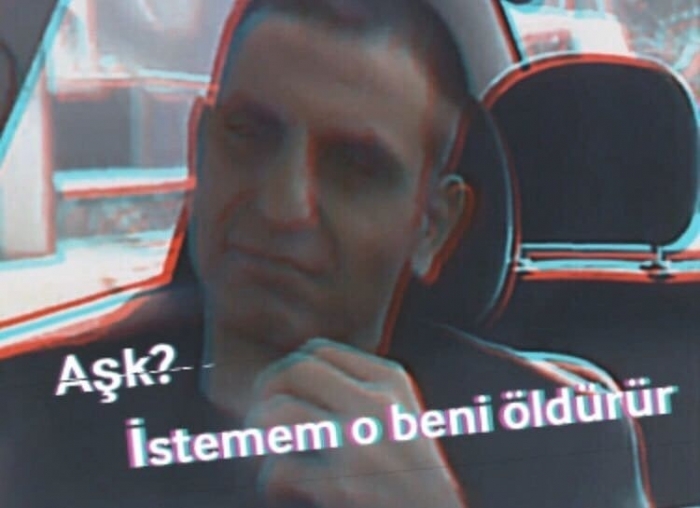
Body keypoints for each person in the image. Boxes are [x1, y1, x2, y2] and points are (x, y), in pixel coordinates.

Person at [1, 0, 653, 507]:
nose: (283, 207)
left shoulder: (564, 443)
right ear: (200, 150)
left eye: (355, 167)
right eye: (250, 134)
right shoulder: (28, 418)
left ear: (433, 227)